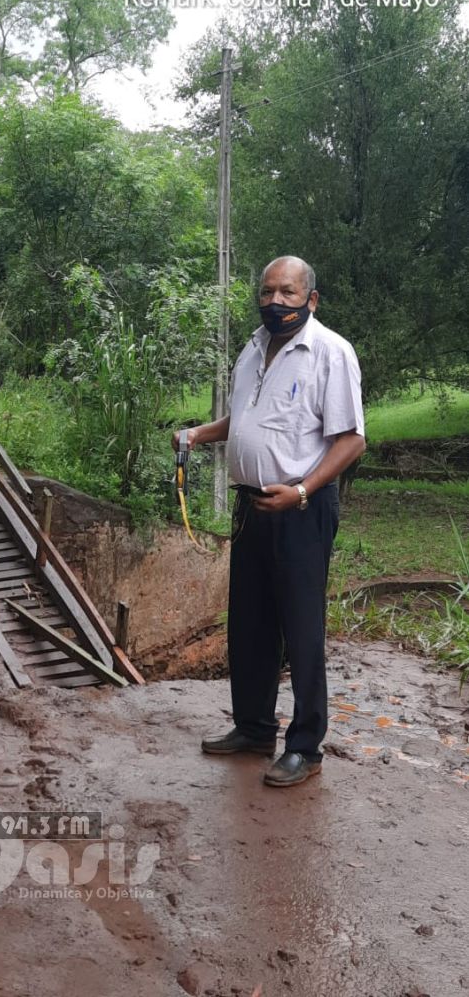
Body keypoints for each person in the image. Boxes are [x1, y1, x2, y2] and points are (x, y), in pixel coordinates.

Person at [175, 256, 365, 787]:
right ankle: (255, 728)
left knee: (301, 630)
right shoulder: (254, 348)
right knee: (251, 623)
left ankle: (305, 746)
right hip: (253, 506)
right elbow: (247, 420)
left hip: (302, 509)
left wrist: (303, 489)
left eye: (287, 291)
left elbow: (352, 438)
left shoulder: (330, 351)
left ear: (311, 298)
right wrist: (196, 434)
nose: (276, 300)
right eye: (268, 291)